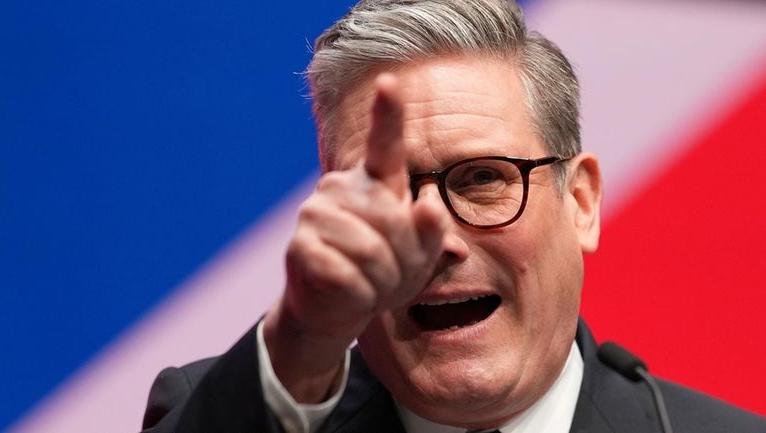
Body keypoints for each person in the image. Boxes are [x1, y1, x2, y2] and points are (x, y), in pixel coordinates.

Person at [141, 1, 766, 432]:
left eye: (482, 178)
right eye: (385, 193)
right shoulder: (222, 412)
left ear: (579, 202)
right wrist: (303, 342)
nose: (434, 237)